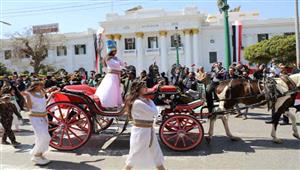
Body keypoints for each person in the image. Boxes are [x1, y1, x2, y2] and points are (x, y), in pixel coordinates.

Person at [124, 81, 165, 170]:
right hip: (140, 132)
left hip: (148, 131)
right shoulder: (138, 102)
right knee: (135, 154)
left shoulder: (143, 100)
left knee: (156, 152)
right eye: (143, 87)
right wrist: (150, 100)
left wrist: (148, 99)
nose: (146, 88)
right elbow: (155, 112)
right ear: (138, 90)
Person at [23, 80, 51, 165]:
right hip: (35, 118)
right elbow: (29, 107)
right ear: (35, 86)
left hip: (44, 117)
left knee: (46, 137)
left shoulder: (42, 93)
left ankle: (40, 154)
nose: (42, 87)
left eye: (42, 85)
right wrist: (27, 97)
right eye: (40, 85)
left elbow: (44, 103)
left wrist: (52, 95)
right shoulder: (29, 94)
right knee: (42, 136)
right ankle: (36, 155)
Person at [95, 40, 124, 109]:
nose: (115, 52)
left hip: (116, 76)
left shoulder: (115, 58)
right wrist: (120, 64)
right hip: (112, 76)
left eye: (116, 51)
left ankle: (116, 104)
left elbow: (122, 63)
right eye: (114, 51)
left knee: (116, 90)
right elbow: (116, 65)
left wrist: (122, 64)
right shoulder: (108, 59)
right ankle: (109, 104)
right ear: (111, 51)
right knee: (111, 89)